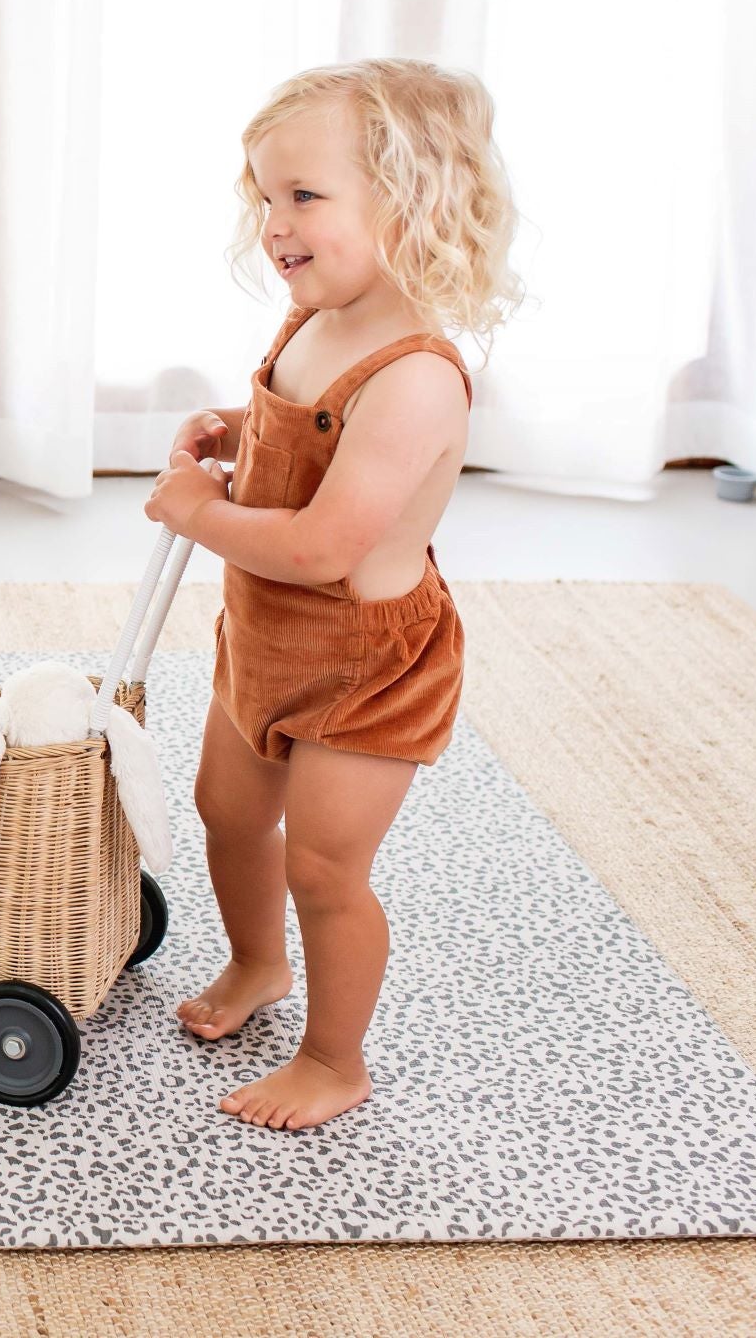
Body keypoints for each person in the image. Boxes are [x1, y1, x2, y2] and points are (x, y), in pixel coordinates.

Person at [143, 58, 523, 1131]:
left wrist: (193, 512)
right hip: (263, 635)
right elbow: (296, 439)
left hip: (364, 665)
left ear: (410, 201)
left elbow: (319, 545)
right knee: (226, 814)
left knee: (323, 863)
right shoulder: (315, 320)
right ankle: (258, 963)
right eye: (266, 195)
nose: (275, 222)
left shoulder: (413, 374)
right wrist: (228, 430)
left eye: (305, 196)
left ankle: (334, 1057)